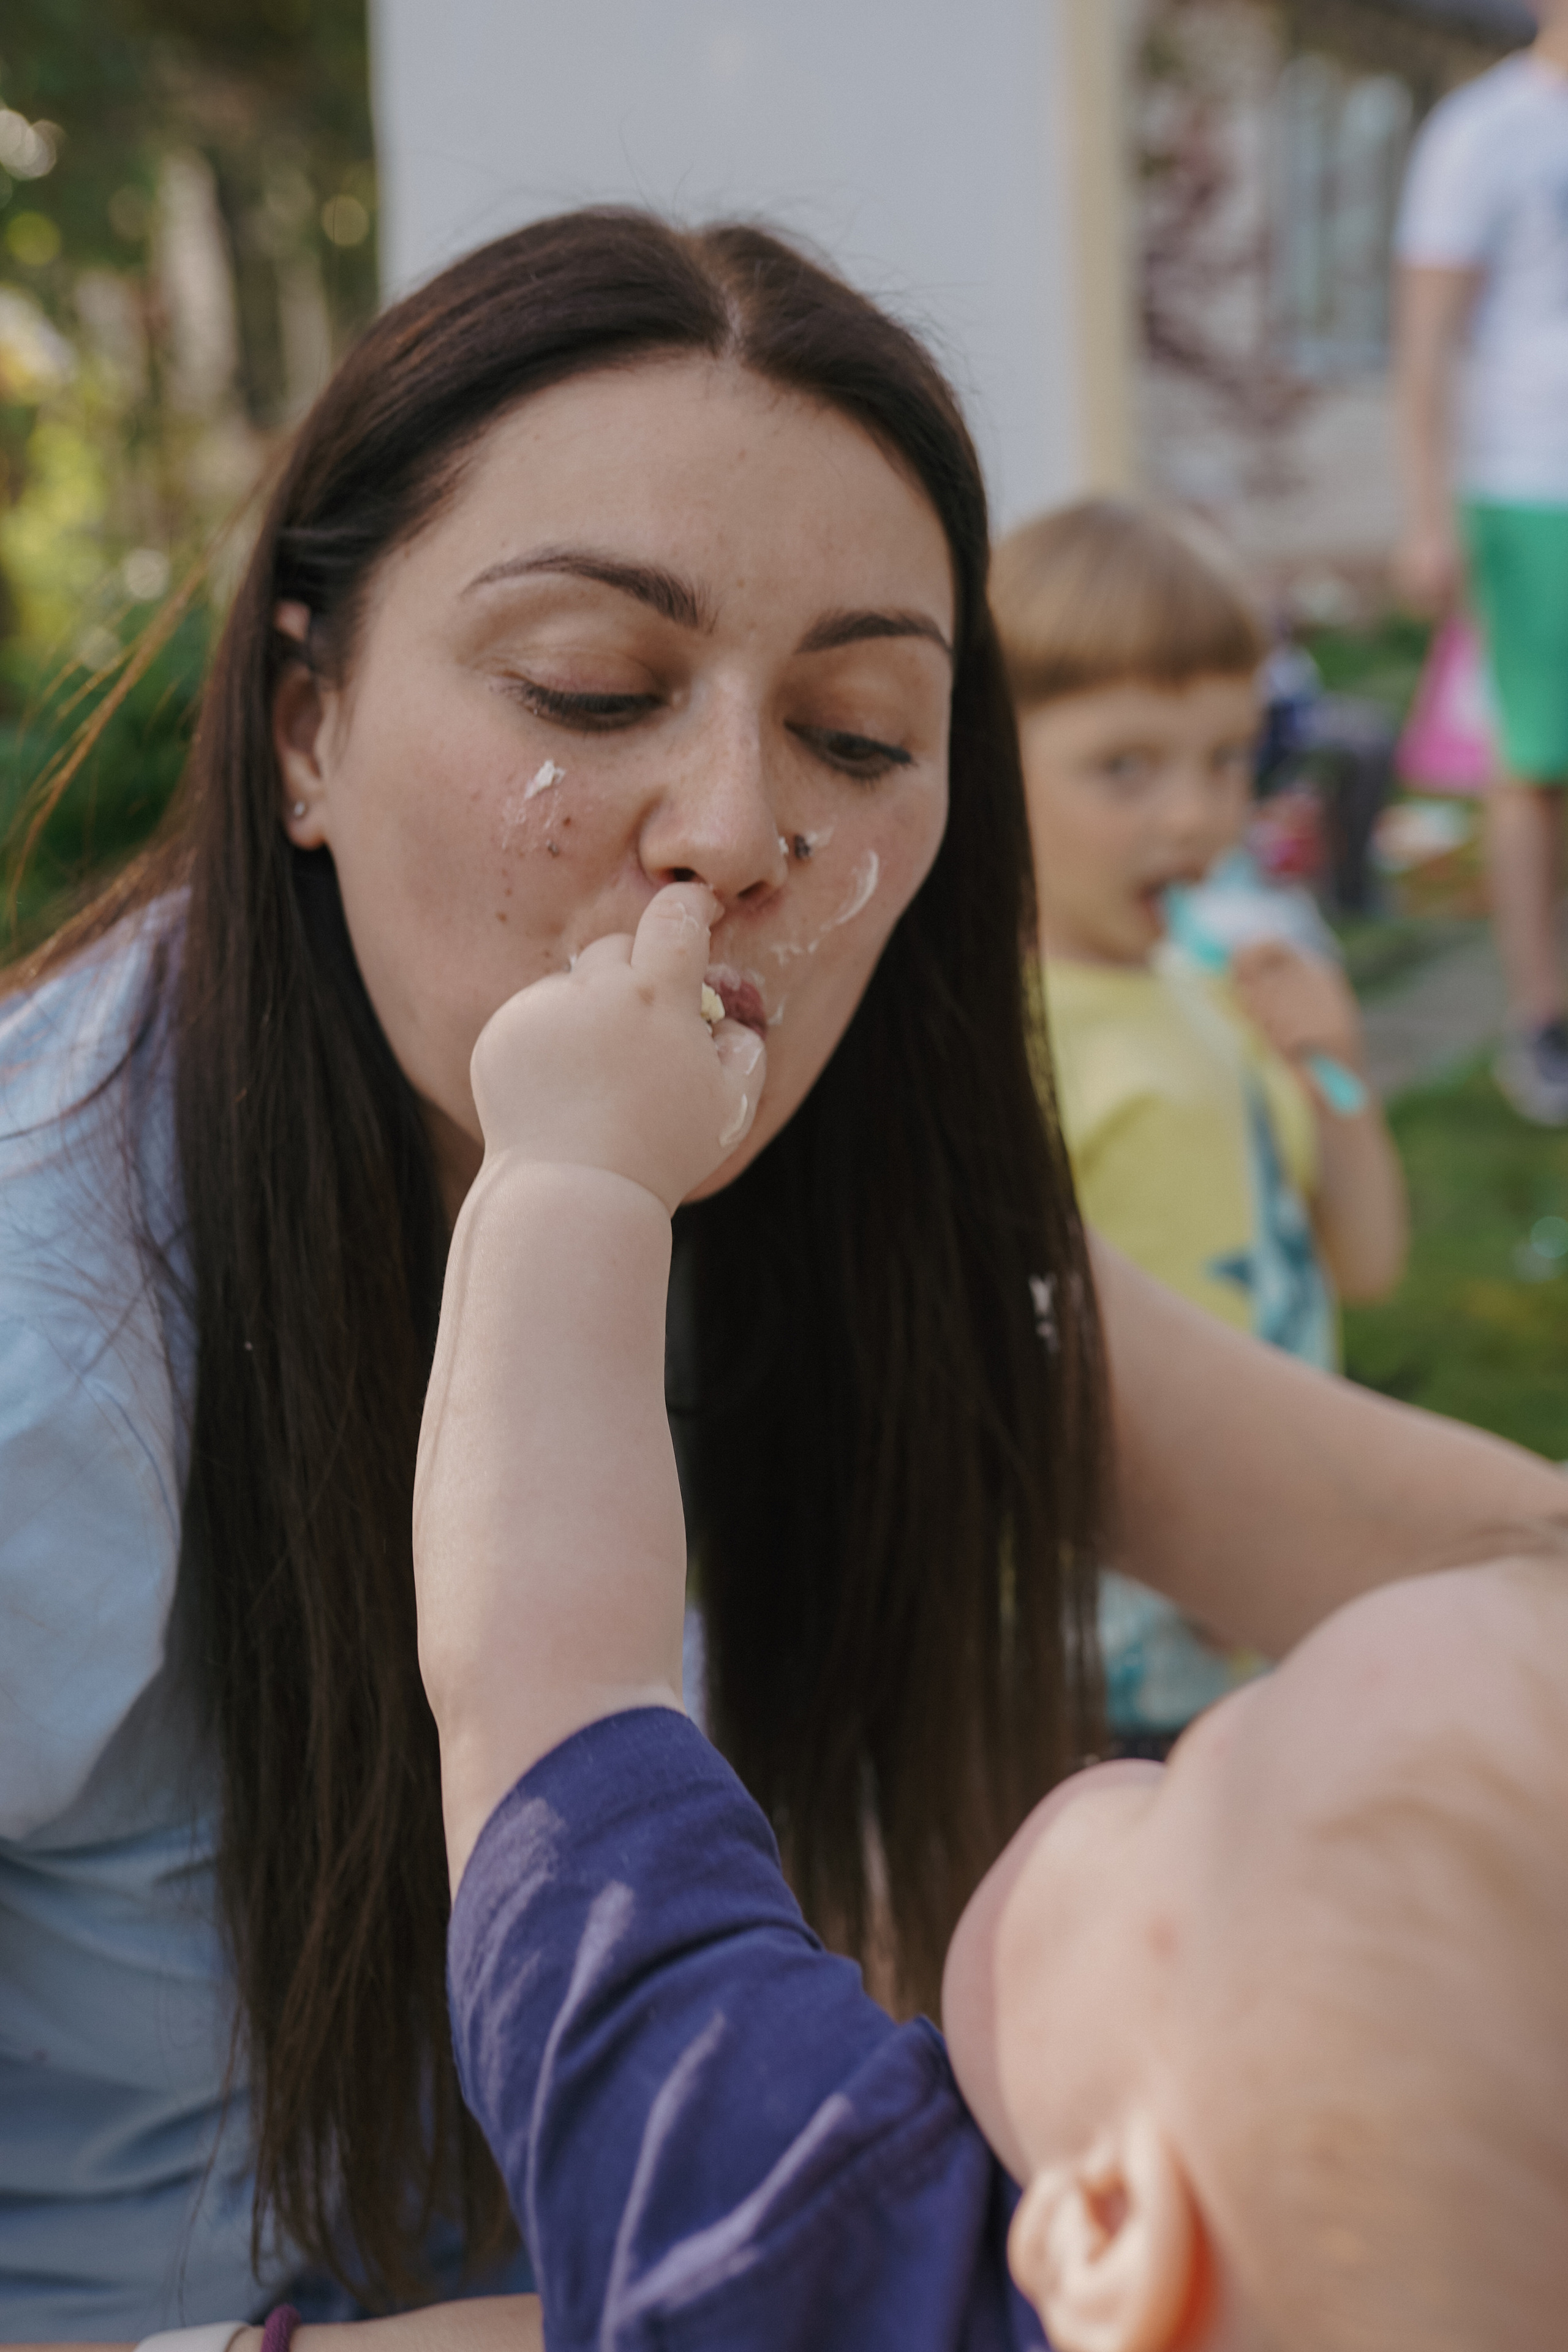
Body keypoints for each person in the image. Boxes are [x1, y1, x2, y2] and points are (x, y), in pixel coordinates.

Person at [3, 209, 1562, 2345]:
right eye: (593, 689)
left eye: (859, 733)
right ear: (303, 728)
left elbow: (1498, 1568)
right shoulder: (49, 1337)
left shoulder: (858, 1193)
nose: (735, 829)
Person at [417, 880, 1568, 2352]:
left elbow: (558, 1705)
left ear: (1109, 2234)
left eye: (1188, 1787)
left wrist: (575, 1168)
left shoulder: (802, 2244)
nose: (1112, 1773)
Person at [989, 500, 1407, 1752]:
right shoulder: (1000, 1048)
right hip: (1090, 1669)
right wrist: (1206, 1545)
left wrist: (1333, 1075)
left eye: (1225, 759)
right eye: (1126, 767)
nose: (1192, 816)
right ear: (985, 761)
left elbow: (1365, 1261)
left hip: (1260, 1619)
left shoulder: (1216, 988)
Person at [1393, 1, 1568, 1122]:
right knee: (1536, 765)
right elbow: (1424, 342)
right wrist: (1428, 515)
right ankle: (1541, 1020)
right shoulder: (1485, 132)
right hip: (1529, 486)